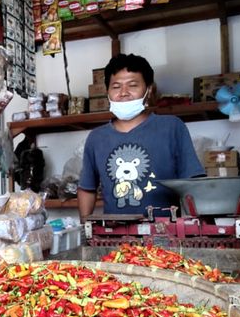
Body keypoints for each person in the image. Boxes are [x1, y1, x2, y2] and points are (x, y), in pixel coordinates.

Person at [78, 54, 205, 218]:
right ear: (107, 92)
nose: (123, 93)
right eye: (116, 87)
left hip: (165, 235)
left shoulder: (172, 127)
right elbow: (87, 188)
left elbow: (193, 182)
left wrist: (199, 227)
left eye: (132, 85)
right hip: (114, 236)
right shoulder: (96, 137)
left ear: (149, 89)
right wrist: (85, 229)